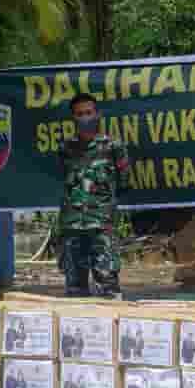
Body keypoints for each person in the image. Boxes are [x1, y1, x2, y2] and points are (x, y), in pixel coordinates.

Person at [58, 93, 131, 299]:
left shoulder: (113, 146)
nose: (85, 118)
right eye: (79, 114)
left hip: (101, 226)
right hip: (72, 226)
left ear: (97, 115)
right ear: (73, 117)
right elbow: (66, 180)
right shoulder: (66, 148)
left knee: (108, 289)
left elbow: (124, 182)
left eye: (89, 113)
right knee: (75, 291)